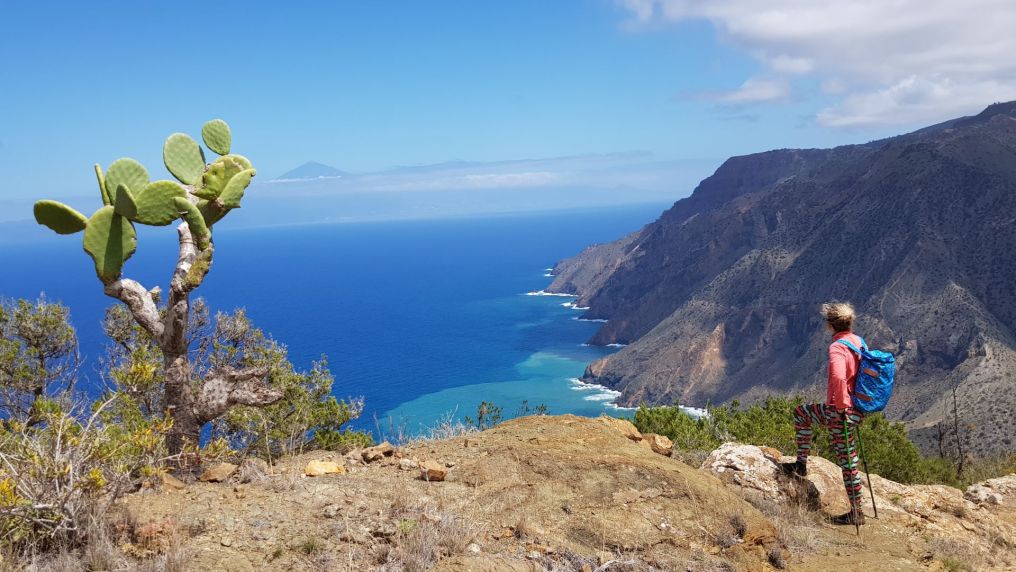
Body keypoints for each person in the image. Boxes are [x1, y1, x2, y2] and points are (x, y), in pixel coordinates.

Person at [782, 302, 866, 525]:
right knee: (848, 457)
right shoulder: (859, 342)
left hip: (840, 411)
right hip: (857, 408)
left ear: (830, 325)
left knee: (847, 461)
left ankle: (856, 513)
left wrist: (839, 408)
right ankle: (857, 510)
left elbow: (839, 377)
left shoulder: (838, 347)